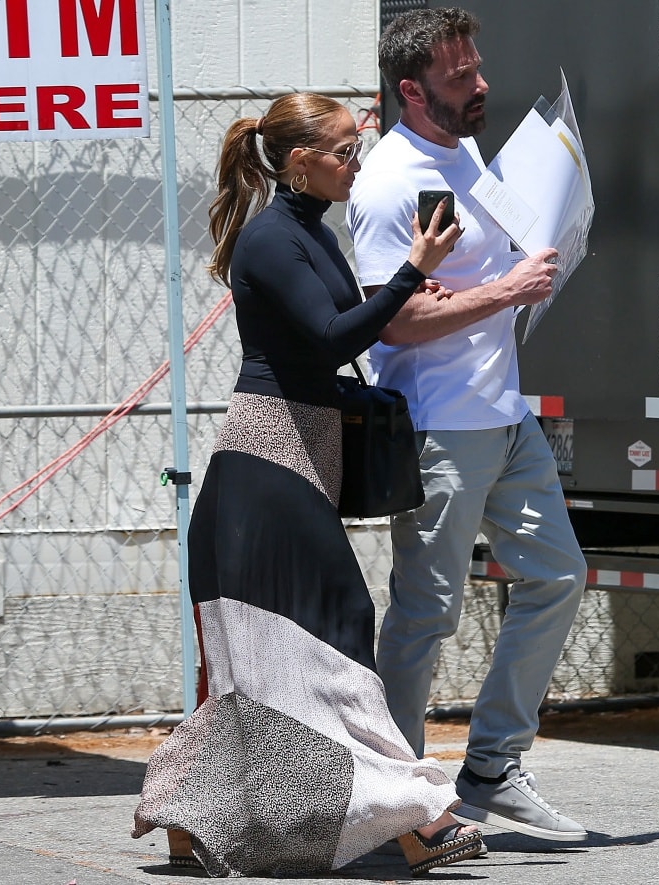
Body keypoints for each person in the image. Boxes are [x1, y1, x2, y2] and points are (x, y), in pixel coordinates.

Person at [132, 92, 484, 877]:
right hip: (267, 458)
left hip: (299, 455)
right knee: (338, 622)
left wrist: (411, 292)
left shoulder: (308, 232)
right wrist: (409, 274)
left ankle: (190, 815)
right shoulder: (269, 239)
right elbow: (329, 340)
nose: (356, 164)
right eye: (344, 153)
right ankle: (418, 817)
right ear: (300, 162)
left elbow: (342, 325)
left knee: (264, 659)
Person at [347, 7, 590, 843]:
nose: (481, 83)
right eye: (460, 77)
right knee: (424, 615)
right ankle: (394, 802)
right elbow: (394, 318)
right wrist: (506, 291)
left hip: (502, 412)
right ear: (413, 91)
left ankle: (491, 765)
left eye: (477, 67)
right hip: (438, 427)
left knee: (558, 576)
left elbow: (465, 277)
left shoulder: (465, 149)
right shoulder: (387, 182)